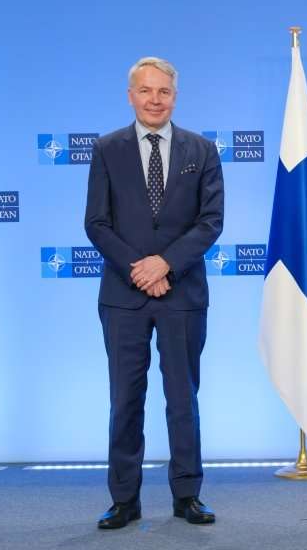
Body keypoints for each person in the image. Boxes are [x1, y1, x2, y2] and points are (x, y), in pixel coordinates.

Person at [85, 57, 224, 529]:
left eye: (163, 91)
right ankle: (124, 499)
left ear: (175, 96)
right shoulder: (107, 149)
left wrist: (166, 263)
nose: (154, 99)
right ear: (130, 95)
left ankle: (188, 495)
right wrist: (139, 270)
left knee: (183, 398)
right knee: (125, 399)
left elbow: (211, 222)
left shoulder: (201, 150)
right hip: (124, 298)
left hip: (182, 294)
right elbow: (96, 223)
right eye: (145, 91)